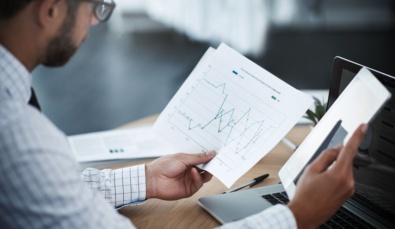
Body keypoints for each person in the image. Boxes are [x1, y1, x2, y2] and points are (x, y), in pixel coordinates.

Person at [0, 0, 367, 228]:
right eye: (96, 6)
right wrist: (296, 216)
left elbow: (43, 188)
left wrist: (144, 179)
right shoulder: (19, 135)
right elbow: (32, 169)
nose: (97, 21)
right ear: (50, 9)